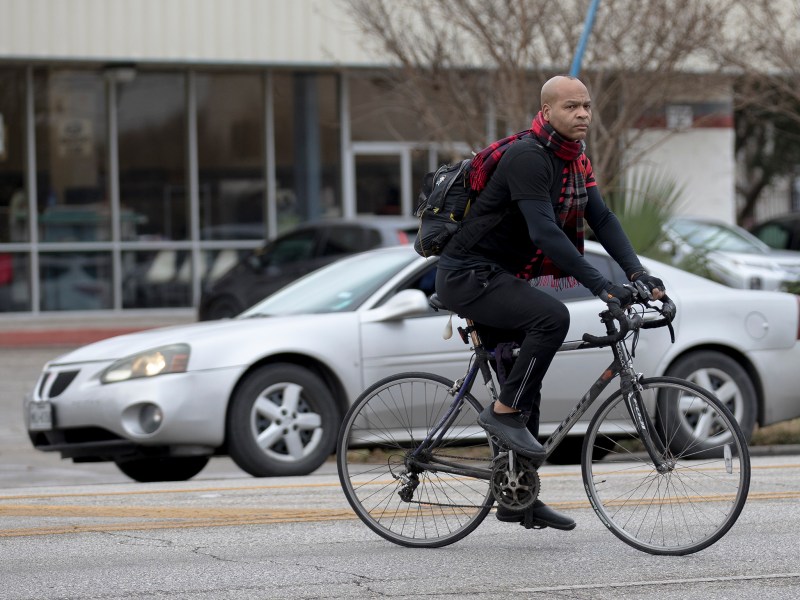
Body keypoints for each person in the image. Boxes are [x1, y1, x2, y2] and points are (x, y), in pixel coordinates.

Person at [435, 75, 665, 531]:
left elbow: (602, 217)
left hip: (500, 276)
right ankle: (502, 413)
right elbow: (544, 232)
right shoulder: (528, 157)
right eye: (571, 107)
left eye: (587, 106)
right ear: (546, 112)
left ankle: (518, 495)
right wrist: (603, 286)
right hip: (467, 274)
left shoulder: (576, 160)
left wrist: (638, 274)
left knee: (526, 377)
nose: (582, 114)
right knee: (551, 318)